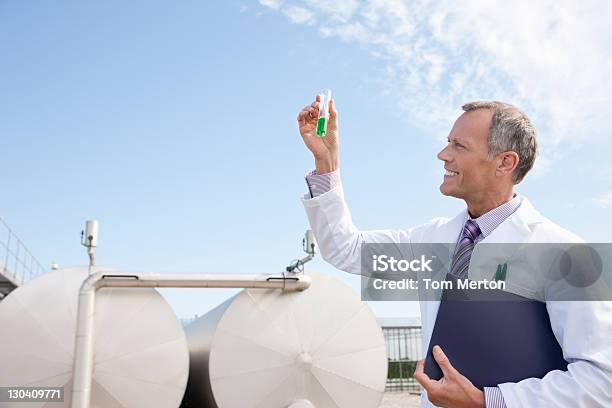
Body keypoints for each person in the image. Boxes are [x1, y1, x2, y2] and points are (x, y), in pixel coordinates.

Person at [296, 96, 612, 407]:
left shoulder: (566, 254)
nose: (443, 154)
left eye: (459, 146)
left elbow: (601, 382)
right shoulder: (432, 239)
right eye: (448, 142)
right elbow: (346, 249)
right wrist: (327, 163)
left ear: (505, 162)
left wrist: (488, 401)